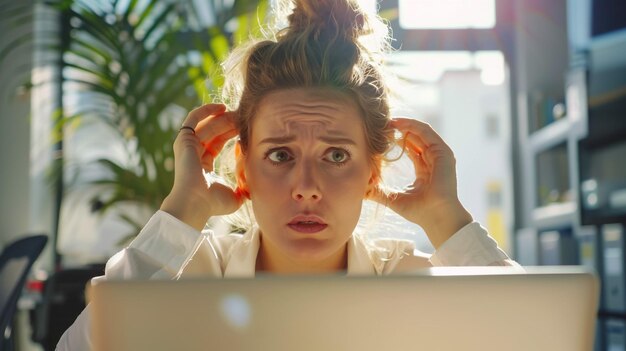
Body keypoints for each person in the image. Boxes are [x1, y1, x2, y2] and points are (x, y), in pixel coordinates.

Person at [57, 0, 518, 349]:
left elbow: (534, 336)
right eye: (280, 155)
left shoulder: (408, 280)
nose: (306, 188)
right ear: (244, 169)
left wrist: (445, 219)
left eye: (336, 156)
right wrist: (183, 210)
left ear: (371, 174)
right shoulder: (190, 277)